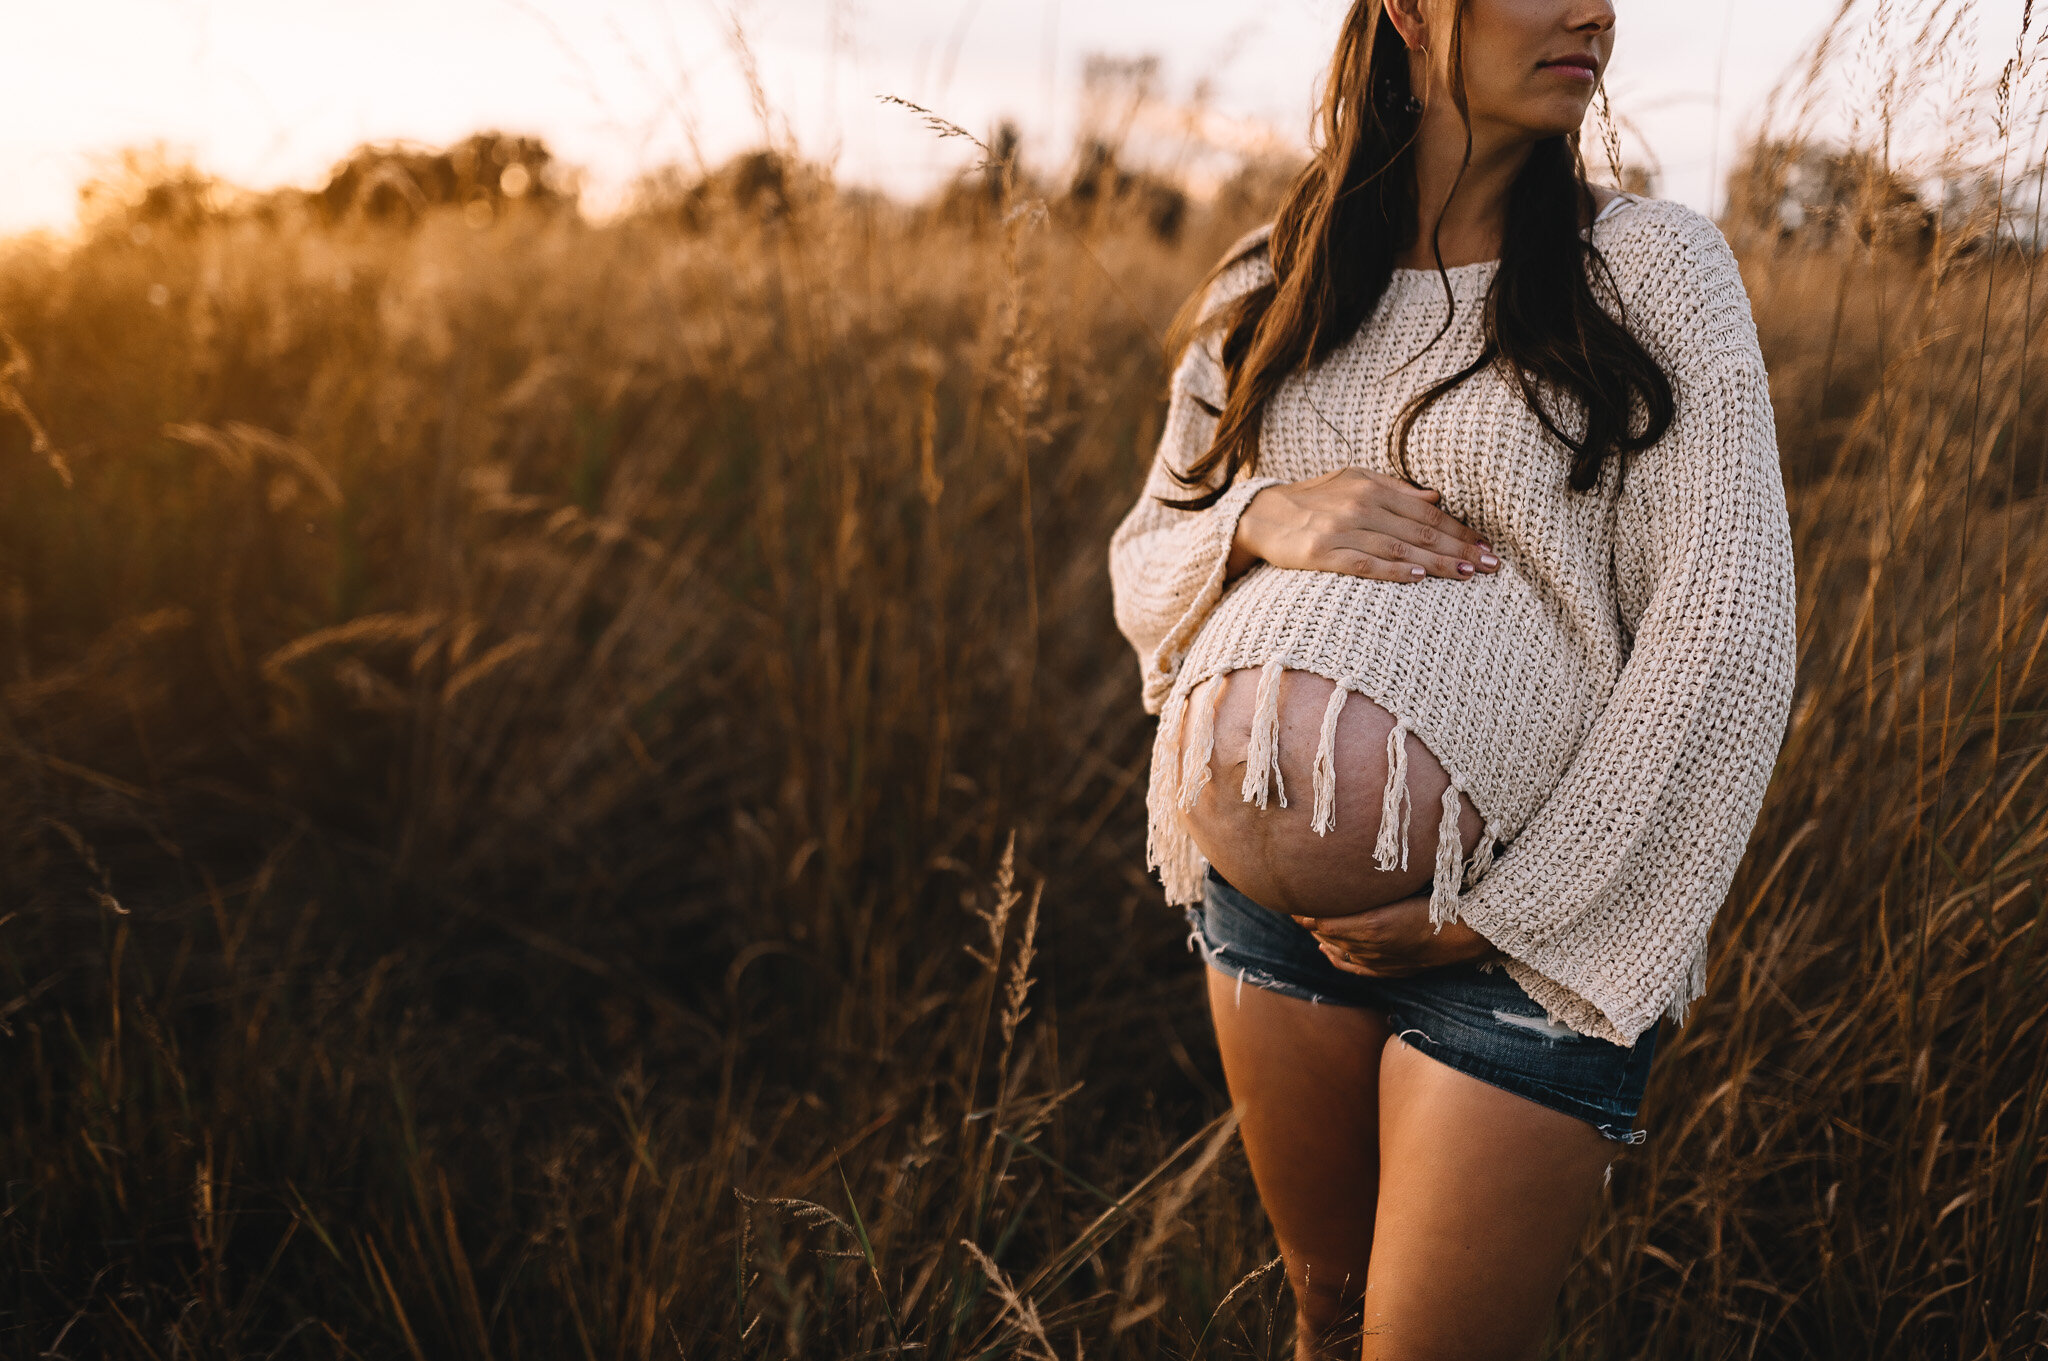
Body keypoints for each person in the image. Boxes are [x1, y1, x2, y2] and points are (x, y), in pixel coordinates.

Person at [1106, 1, 1799, 1357]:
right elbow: (1146, 559)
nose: (1597, 9)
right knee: (1329, 1311)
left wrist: (1511, 908)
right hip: (1268, 921)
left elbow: (1729, 634)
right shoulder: (1274, 280)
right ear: (1415, 14)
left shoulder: (1650, 269)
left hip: (1538, 939)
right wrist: (1259, 516)